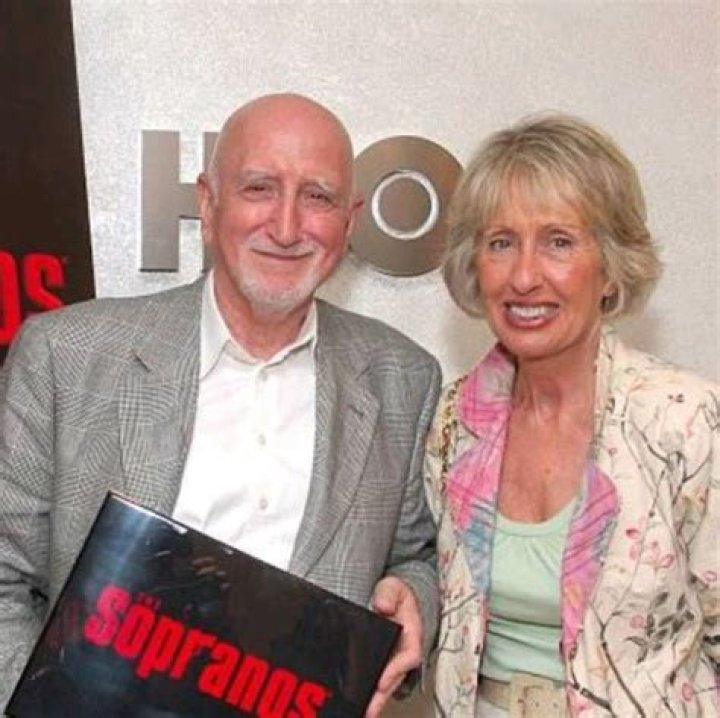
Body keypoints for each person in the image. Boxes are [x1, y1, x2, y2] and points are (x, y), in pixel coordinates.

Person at [0, 93, 442, 715]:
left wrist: (417, 599)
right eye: (259, 188)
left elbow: (417, 556)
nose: (286, 227)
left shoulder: (404, 378)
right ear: (208, 204)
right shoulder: (64, 355)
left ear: (350, 221)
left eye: (317, 197)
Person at [425, 113, 718, 717]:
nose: (524, 276)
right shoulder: (454, 420)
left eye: (558, 242)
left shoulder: (682, 420)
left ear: (610, 267)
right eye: (501, 243)